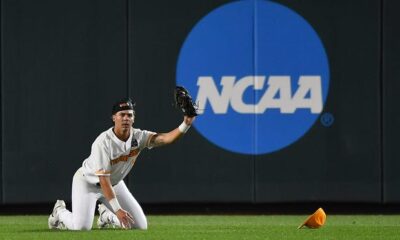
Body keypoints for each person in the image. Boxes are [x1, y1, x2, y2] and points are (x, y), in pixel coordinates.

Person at [48, 98, 195, 230]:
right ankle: (59, 212)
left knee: (140, 226)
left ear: (133, 119)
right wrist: (117, 209)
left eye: (129, 115)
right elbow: (103, 180)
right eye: (122, 114)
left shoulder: (139, 136)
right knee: (81, 228)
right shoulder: (103, 142)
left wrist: (186, 124)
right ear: (114, 118)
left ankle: (106, 216)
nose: (126, 118)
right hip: (88, 182)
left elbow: (166, 139)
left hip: (114, 183)